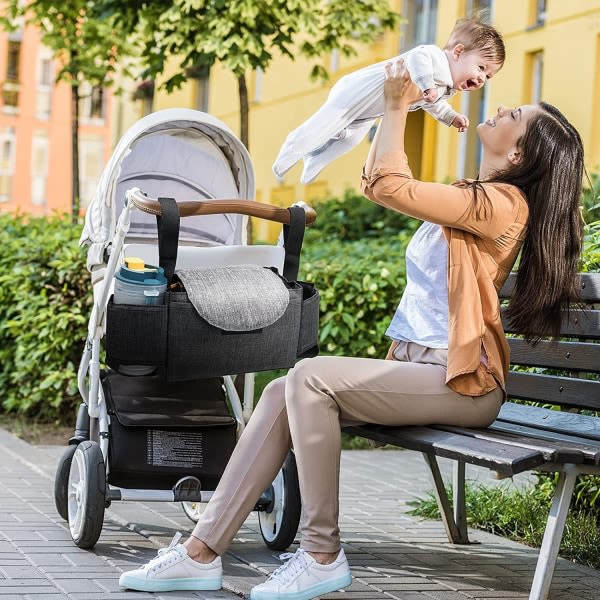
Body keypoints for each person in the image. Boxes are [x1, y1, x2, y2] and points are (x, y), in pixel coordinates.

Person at [118, 58, 584, 600]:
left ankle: (320, 553)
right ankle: (201, 553)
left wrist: (393, 105)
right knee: (281, 390)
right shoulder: (478, 196)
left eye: (516, 114)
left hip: (464, 384)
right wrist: (387, 110)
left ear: (520, 152)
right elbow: (378, 182)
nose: (503, 106)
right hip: (425, 372)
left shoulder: (503, 204)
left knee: (310, 378)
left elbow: (389, 184)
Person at [272, 14, 505, 185]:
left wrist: (451, 117)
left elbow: (436, 106)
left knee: (350, 139)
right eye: (481, 68)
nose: (482, 78)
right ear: (457, 52)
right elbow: (416, 57)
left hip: (372, 110)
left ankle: (315, 160)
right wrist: (425, 85)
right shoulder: (434, 57)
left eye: (488, 76)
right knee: (324, 126)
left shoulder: (445, 87)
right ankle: (292, 147)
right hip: (358, 91)